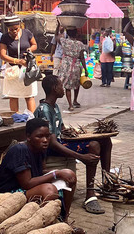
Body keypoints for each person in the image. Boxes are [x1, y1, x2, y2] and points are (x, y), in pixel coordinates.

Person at [34, 75, 112, 214]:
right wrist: (81, 157)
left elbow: (61, 127)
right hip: (50, 149)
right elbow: (51, 143)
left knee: (106, 140)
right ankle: (90, 194)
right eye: (61, 86)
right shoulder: (44, 110)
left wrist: (73, 132)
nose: (63, 89)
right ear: (54, 89)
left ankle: (107, 184)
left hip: (59, 142)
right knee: (93, 146)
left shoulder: (55, 106)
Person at [0, 118, 77, 220]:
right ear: (28, 137)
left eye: (47, 136)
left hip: (27, 187)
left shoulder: (40, 148)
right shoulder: (20, 150)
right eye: (39, 136)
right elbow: (27, 183)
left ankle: (64, 219)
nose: (45, 140)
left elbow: (41, 172)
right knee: (49, 190)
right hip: (11, 193)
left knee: (69, 174)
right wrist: (56, 174)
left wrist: (60, 172)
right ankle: (47, 223)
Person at [0, 15, 38, 113]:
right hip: (13, 70)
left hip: (26, 69)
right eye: (11, 29)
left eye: (16, 29)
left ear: (20, 25)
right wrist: (17, 61)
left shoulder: (27, 33)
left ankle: (32, 118)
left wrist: (30, 49)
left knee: (29, 95)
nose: (14, 31)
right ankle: (15, 117)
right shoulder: (4, 37)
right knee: (13, 95)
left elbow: (34, 45)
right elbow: (3, 55)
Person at [58, 28, 88, 111]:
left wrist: (58, 27)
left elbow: (57, 37)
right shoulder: (80, 44)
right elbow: (82, 57)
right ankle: (75, 100)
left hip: (66, 66)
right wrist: (86, 69)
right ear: (76, 34)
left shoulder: (64, 41)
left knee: (68, 86)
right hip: (76, 66)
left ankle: (70, 105)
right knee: (76, 84)